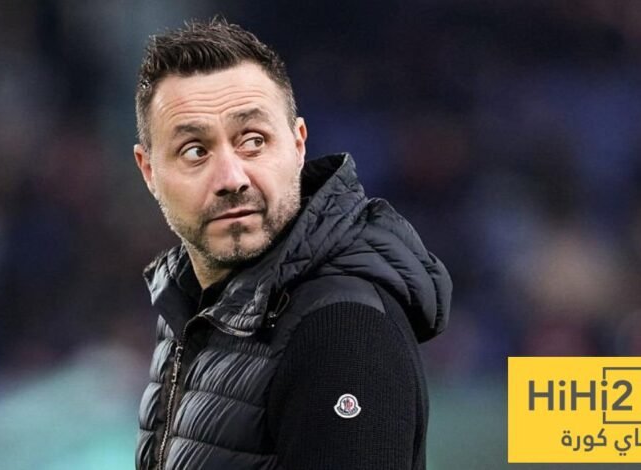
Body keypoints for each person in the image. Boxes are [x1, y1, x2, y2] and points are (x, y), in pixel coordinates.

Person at [132, 18, 451, 470]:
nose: (231, 178)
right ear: (148, 171)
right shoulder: (190, 312)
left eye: (253, 141)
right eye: (195, 151)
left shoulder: (342, 329)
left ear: (299, 146)